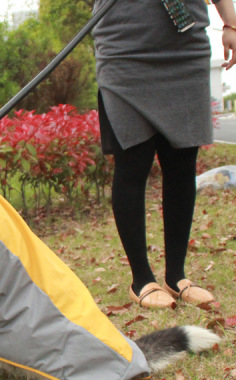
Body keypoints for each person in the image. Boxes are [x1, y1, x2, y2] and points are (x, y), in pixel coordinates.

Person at [92, 0, 236, 308]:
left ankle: (176, 276)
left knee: (182, 164)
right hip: (124, 46)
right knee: (132, 165)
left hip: (185, 45)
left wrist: (230, 23)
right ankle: (141, 279)